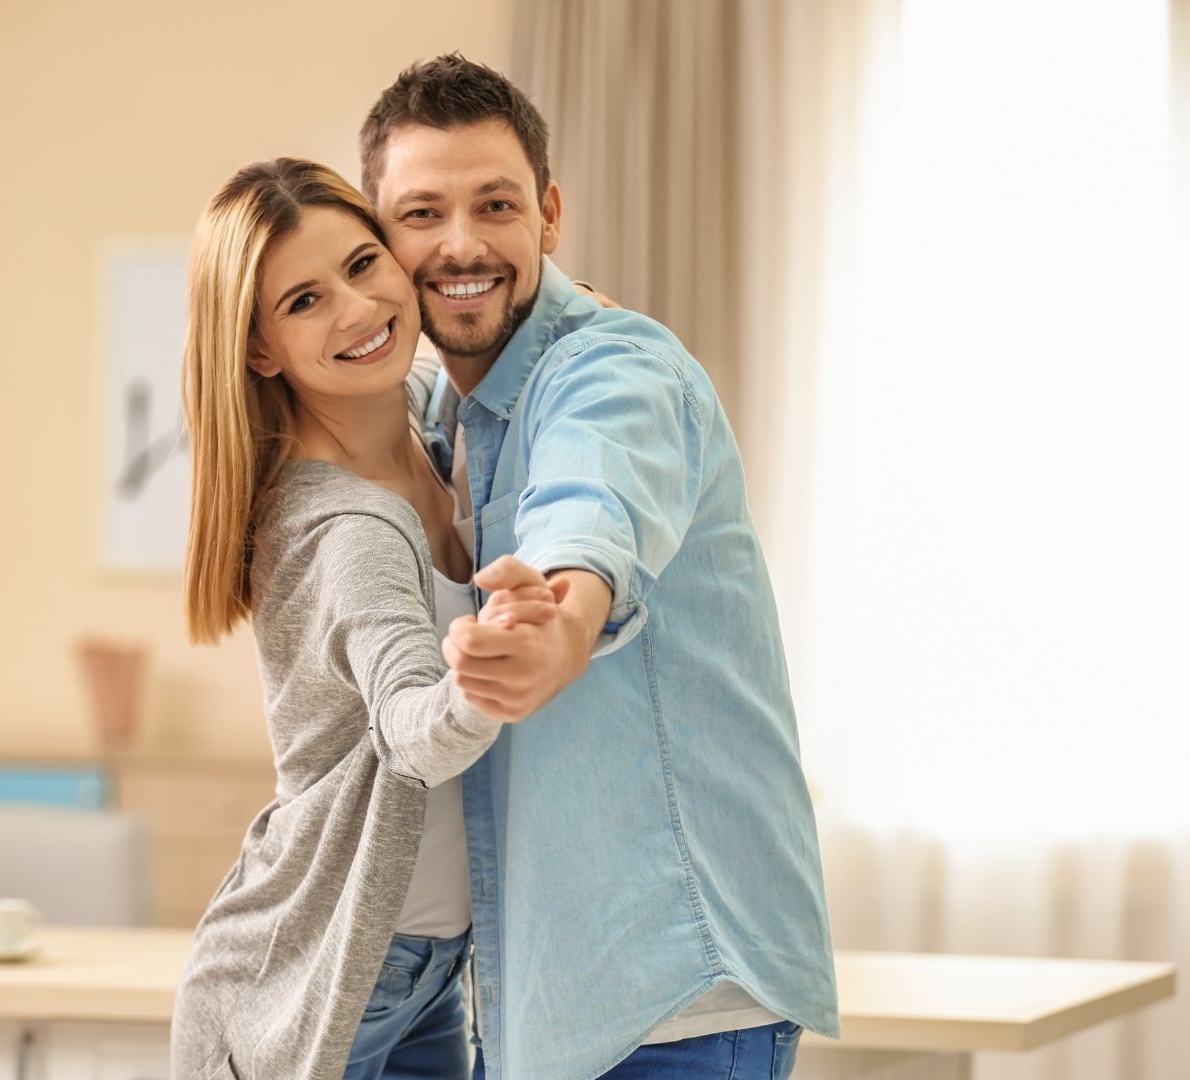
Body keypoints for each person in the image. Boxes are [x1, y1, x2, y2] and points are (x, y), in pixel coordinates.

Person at [358, 54, 841, 1079]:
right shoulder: (444, 413)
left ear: (549, 215)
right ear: (382, 241)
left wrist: (562, 624)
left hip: (672, 1002)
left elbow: (593, 507)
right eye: (422, 214)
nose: (461, 244)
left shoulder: (618, 369)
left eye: (496, 205)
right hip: (550, 1002)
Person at [170, 157, 559, 1080]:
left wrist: (572, 317)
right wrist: (486, 673)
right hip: (324, 977)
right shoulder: (350, 529)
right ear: (260, 350)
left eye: (360, 265)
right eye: (304, 302)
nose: (355, 309)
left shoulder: (420, 428)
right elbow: (413, 730)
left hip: (423, 967)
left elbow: (454, 378)